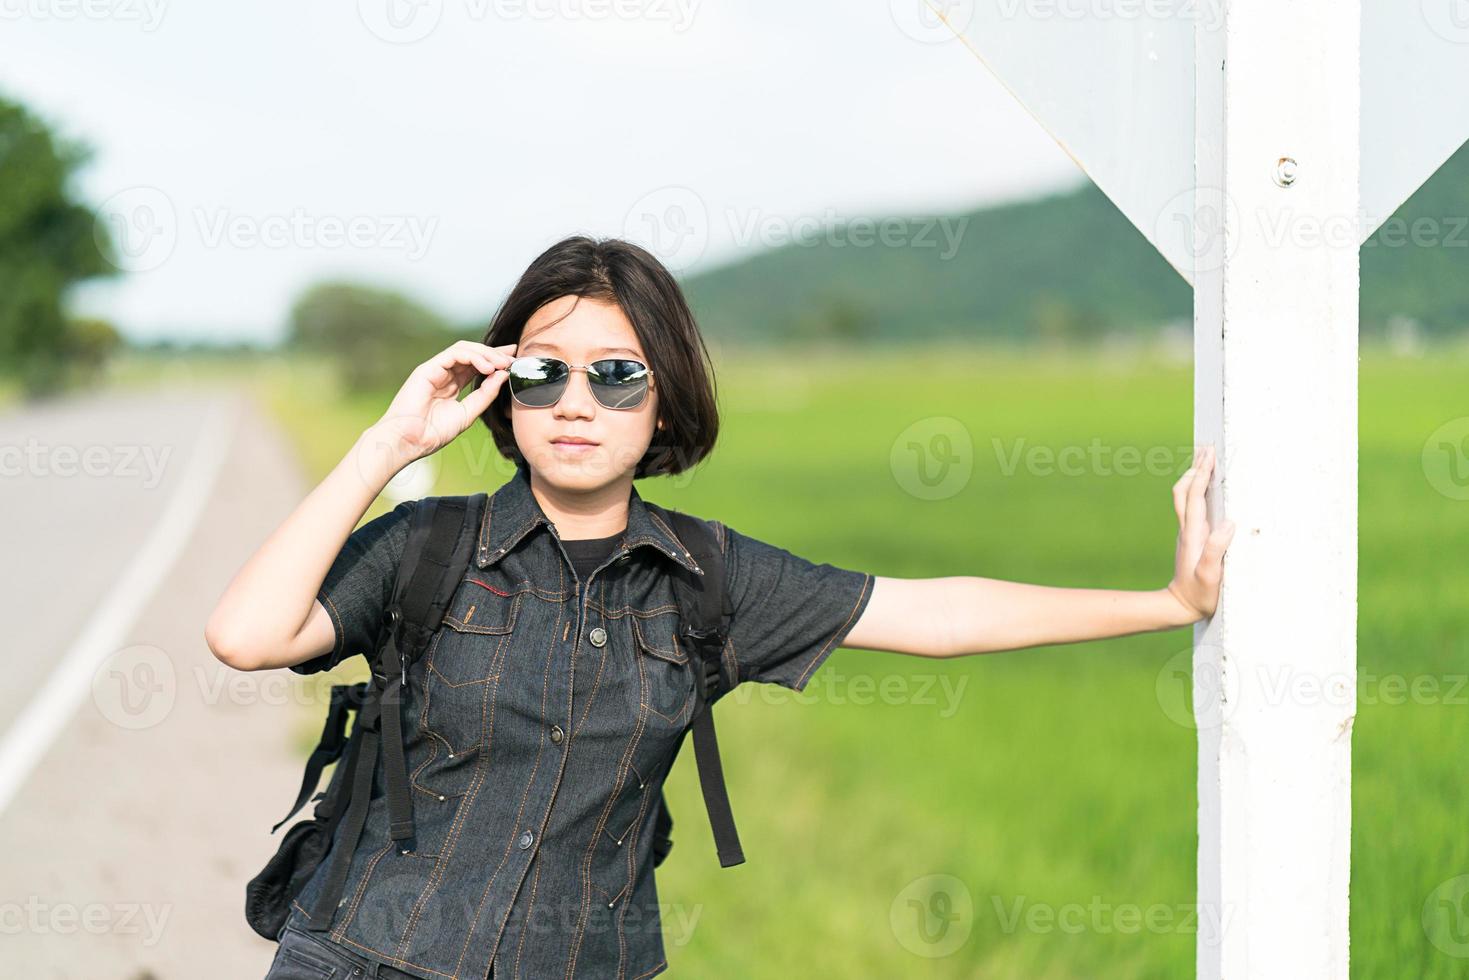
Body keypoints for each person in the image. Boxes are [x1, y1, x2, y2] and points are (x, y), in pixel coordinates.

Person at [205, 235, 1233, 980]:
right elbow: (246, 634)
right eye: (541, 372)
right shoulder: (425, 547)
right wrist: (388, 446)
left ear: (664, 400)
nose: (575, 401)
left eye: (616, 375)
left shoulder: (707, 578)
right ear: (501, 393)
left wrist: (1168, 598)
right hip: (362, 955)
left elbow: (937, 613)